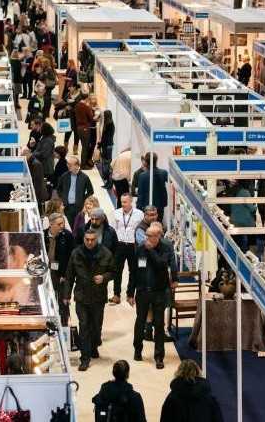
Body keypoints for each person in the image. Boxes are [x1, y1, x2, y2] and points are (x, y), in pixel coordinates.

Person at [127, 223, 177, 369]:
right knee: (140, 322)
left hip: (159, 292)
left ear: (158, 236)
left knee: (159, 325)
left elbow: (161, 265)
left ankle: (159, 357)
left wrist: (151, 251)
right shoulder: (141, 248)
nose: (146, 238)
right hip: (142, 291)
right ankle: (137, 350)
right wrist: (130, 293)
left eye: (150, 236)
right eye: (146, 235)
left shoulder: (166, 248)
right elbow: (134, 271)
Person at [64, 229, 114, 371]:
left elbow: (113, 272)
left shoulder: (105, 253)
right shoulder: (76, 253)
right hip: (81, 296)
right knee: (84, 326)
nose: (90, 242)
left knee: (96, 326)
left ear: (97, 239)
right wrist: (66, 295)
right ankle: (84, 358)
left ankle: (94, 346)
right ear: (84, 239)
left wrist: (104, 277)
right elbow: (69, 276)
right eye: (87, 239)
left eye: (92, 239)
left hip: (98, 297)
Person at [110, 193, 144, 304]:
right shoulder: (116, 213)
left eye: (125, 202)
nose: (123, 204)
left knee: (133, 271)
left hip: (133, 246)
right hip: (119, 245)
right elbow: (113, 229)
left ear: (131, 202)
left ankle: (130, 294)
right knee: (117, 270)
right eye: (121, 202)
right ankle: (116, 294)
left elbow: (140, 229)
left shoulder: (139, 214)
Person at [45, 212, 74, 325]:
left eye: (63, 223)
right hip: (47, 274)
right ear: (51, 224)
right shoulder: (43, 235)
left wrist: (66, 275)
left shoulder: (68, 236)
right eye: (59, 224)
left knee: (63, 302)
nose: (62, 226)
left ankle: (64, 326)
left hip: (62, 275)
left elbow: (71, 258)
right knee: (48, 300)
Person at [56, 155, 94, 226]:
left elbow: (90, 191)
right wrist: (62, 197)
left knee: (78, 226)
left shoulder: (84, 177)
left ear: (77, 166)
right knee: (68, 225)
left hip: (78, 207)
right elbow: (58, 188)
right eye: (68, 164)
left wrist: (83, 199)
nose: (68, 166)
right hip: (67, 207)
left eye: (70, 164)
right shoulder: (64, 176)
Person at [136, 152, 169, 223]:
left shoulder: (142, 176)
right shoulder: (163, 173)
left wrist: (138, 209)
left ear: (146, 162)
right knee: (158, 225)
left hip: (147, 207)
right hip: (160, 206)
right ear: (156, 160)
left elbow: (140, 194)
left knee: (148, 226)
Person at [227, 180, 257, 253]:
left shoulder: (232, 191)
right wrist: (255, 206)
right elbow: (252, 209)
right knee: (253, 236)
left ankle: (236, 252)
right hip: (246, 221)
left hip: (234, 221)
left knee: (236, 242)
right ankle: (251, 251)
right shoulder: (245, 192)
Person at [76, 93, 97, 169]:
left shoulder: (77, 105)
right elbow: (92, 118)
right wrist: (97, 118)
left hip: (79, 128)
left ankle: (84, 164)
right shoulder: (86, 107)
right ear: (87, 98)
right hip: (85, 129)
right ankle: (83, 165)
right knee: (85, 148)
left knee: (84, 147)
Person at [98, 110, 115, 183]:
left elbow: (107, 137)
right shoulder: (108, 123)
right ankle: (106, 176)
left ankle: (108, 177)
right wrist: (101, 143)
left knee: (107, 161)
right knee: (106, 160)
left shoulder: (109, 124)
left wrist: (101, 143)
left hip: (107, 145)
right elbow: (104, 136)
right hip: (106, 145)